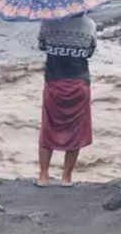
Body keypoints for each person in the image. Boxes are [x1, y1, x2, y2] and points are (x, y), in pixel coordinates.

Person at [35, 13, 96, 187]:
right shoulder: (89, 24)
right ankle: (66, 178)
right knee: (76, 130)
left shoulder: (48, 23)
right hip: (79, 83)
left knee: (48, 127)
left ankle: (43, 177)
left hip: (54, 81)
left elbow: (42, 46)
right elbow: (90, 52)